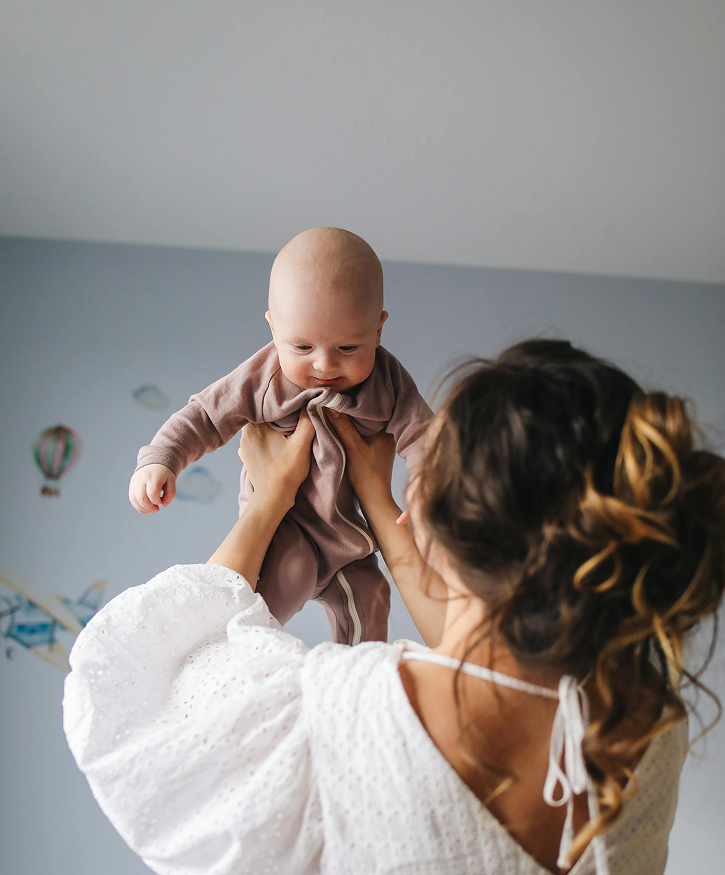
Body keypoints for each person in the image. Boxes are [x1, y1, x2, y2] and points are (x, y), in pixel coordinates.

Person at [64, 339, 724, 875]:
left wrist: (270, 497)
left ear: (435, 519)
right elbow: (488, 654)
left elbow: (157, 670)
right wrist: (378, 502)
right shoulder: (641, 729)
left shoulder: (344, 714)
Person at [128, 227, 432, 645]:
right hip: (286, 532)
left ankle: (353, 685)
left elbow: (422, 433)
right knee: (256, 606)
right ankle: (236, 667)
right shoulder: (264, 377)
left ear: (378, 330)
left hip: (349, 540)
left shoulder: (389, 382)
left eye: (347, 348)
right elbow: (205, 415)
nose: (325, 364)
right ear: (274, 329)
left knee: (371, 599)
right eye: (302, 347)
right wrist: (162, 458)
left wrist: (429, 483)